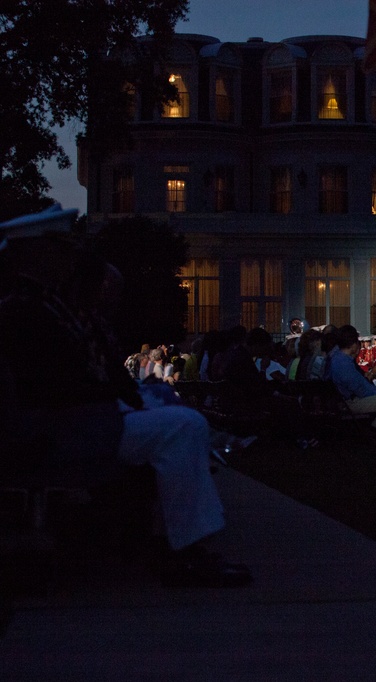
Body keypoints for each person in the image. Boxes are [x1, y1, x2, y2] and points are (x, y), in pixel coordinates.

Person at [0, 239, 250, 588]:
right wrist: (115, 399)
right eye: (59, 255)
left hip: (66, 422)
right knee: (183, 425)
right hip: (56, 430)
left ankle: (182, 542)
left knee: (173, 413)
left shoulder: (39, 307)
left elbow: (74, 380)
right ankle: (186, 551)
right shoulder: (29, 311)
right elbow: (60, 386)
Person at [325, 325, 376, 441]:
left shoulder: (337, 358)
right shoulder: (343, 362)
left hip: (346, 400)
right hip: (351, 402)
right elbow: (360, 389)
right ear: (354, 344)